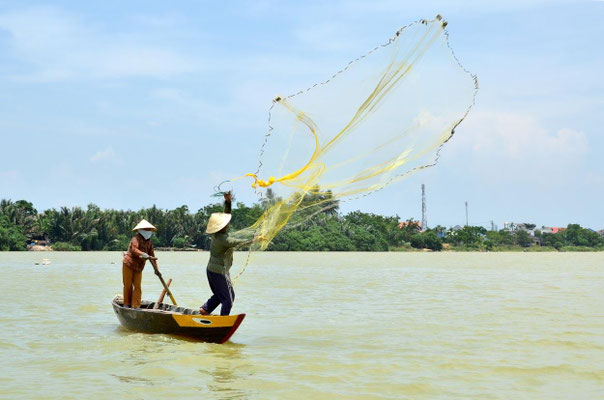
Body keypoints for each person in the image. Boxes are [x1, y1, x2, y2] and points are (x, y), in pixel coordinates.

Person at [200, 192, 256, 316]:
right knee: (228, 299)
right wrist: (253, 240)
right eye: (226, 223)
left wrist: (228, 202)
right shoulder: (223, 240)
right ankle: (223, 321)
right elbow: (235, 242)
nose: (228, 223)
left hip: (211, 270)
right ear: (222, 227)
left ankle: (205, 309)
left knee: (221, 295)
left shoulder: (217, 234)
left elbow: (226, 214)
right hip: (219, 272)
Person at [122, 219, 157, 308]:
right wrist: (143, 254)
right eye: (146, 229)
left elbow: (152, 256)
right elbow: (134, 249)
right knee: (128, 285)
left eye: (149, 230)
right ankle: (127, 304)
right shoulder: (136, 238)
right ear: (141, 230)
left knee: (137, 286)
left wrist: (156, 270)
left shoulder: (149, 242)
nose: (148, 232)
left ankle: (136, 306)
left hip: (139, 267)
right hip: (129, 264)